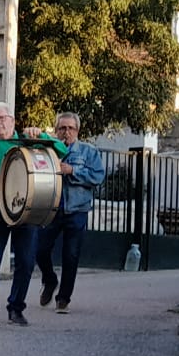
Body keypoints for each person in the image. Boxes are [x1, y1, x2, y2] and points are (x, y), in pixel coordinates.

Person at [0, 101, 64, 329]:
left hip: (26, 212)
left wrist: (41, 134)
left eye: (3, 118)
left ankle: (16, 308)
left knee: (26, 262)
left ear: (12, 120)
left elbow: (62, 150)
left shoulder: (29, 142)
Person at [35, 112, 106, 313]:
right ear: (56, 130)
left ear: (77, 130)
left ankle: (63, 298)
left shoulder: (88, 151)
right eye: (62, 128)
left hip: (77, 209)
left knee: (71, 255)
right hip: (52, 207)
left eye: (70, 128)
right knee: (39, 249)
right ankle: (50, 281)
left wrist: (73, 171)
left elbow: (97, 177)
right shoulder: (48, 150)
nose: (66, 132)